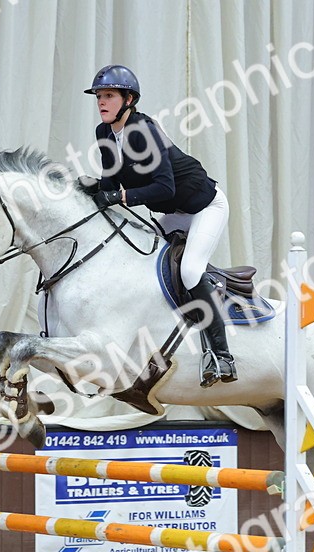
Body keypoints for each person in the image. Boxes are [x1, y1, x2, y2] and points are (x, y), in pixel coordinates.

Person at [84, 64, 236, 387]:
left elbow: (164, 188)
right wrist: (89, 191)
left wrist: (121, 196)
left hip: (204, 206)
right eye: (99, 96)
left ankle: (222, 355)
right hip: (174, 212)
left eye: (109, 95)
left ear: (128, 99)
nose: (101, 102)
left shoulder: (143, 131)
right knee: (144, 266)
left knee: (191, 271)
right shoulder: (104, 134)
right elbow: (110, 182)